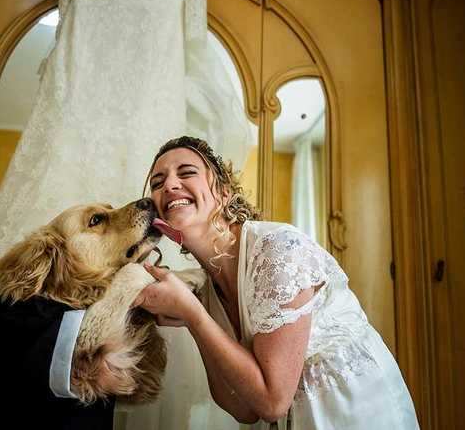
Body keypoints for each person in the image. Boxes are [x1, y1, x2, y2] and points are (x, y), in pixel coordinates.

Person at [134, 136, 420, 429]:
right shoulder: (207, 290)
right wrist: (194, 312)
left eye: (186, 172)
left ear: (223, 192)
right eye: (157, 182)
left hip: (354, 412)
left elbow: (272, 402)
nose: (169, 185)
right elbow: (244, 409)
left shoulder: (277, 249)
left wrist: (193, 316)